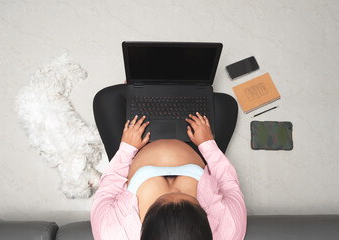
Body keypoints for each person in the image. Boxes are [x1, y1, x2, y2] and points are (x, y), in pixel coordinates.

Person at [91, 84, 247, 240]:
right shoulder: (230, 232)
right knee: (226, 104)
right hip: (197, 149)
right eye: (186, 196)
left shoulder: (110, 234)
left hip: (134, 154)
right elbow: (228, 185)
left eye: (161, 199)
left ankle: (151, 85)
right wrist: (207, 144)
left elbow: (108, 191)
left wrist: (126, 149)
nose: (175, 191)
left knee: (106, 99)